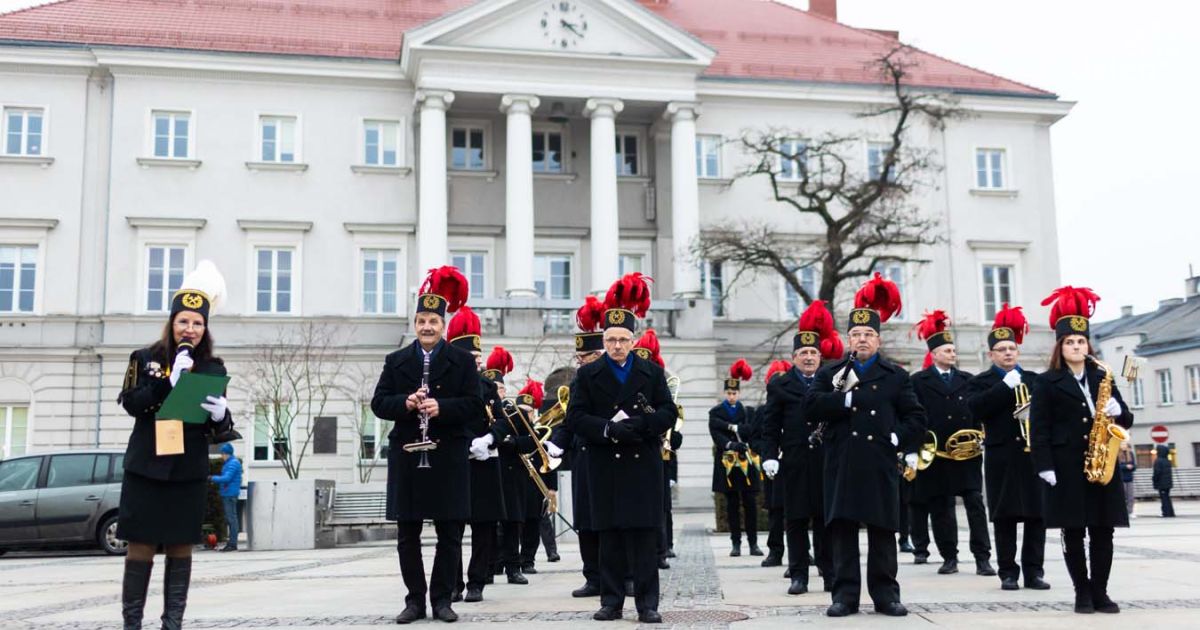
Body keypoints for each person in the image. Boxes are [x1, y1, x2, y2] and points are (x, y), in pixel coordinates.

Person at [117, 260, 236, 630]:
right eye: (183, 321)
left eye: (198, 323)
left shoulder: (213, 368)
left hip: (187, 469)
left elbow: (217, 430)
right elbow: (132, 403)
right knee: (140, 545)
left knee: (181, 547)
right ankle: (132, 623)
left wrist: (222, 417)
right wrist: (168, 383)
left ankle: (173, 624)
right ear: (172, 323)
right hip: (146, 467)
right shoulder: (144, 358)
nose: (190, 329)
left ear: (205, 327)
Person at [804, 273, 925, 617]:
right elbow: (810, 407)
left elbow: (916, 417)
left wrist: (897, 437)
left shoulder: (895, 375)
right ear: (847, 338)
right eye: (856, 334)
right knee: (841, 530)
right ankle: (844, 596)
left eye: (868, 334)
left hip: (879, 461)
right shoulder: (832, 374)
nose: (862, 340)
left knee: (883, 531)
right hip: (842, 461)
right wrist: (843, 403)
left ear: (878, 338)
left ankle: (886, 594)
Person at [372, 266, 483, 624]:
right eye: (421, 320)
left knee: (450, 532)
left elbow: (474, 405)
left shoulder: (463, 362)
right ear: (415, 322)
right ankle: (414, 600)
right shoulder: (396, 360)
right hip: (408, 455)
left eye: (433, 320)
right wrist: (405, 403)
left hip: (447, 455)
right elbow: (378, 403)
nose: (427, 327)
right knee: (408, 533)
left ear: (443, 324)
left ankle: (442, 600)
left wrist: (442, 407)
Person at [566, 273, 677, 623]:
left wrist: (640, 426)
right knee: (610, 538)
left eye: (623, 339)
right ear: (604, 339)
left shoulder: (651, 372)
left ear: (633, 339)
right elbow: (576, 417)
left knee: (644, 538)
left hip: (642, 463)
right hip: (605, 464)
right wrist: (608, 430)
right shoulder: (587, 374)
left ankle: (647, 604)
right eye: (611, 339)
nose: (616, 346)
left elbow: (668, 411)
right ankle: (611, 601)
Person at [1030, 285, 1134, 614]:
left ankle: (1100, 592)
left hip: (1103, 463)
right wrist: (1044, 465)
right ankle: (1082, 592)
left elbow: (1126, 418)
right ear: (1060, 346)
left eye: (1081, 341)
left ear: (1088, 344)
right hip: (1065, 465)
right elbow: (1039, 427)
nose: (1077, 346)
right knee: (1073, 531)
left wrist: (1120, 411)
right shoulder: (1047, 381)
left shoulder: (1102, 374)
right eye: (1070, 342)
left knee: (1104, 531)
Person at [761, 300, 842, 596]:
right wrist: (768, 456)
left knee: (825, 520)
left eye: (813, 353)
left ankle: (829, 571)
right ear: (793, 357)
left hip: (825, 459)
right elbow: (770, 426)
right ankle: (799, 575)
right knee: (794, 520)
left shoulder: (832, 383)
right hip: (793, 461)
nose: (808, 358)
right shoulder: (780, 386)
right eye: (803, 353)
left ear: (820, 357)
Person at [966, 304, 1049, 591]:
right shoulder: (981, 382)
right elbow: (974, 409)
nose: (1008, 353)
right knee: (1005, 517)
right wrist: (1004, 387)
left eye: (1011, 348)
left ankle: (1034, 572)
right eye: (1001, 349)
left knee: (1036, 516)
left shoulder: (1035, 380)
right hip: (1002, 456)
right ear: (992, 355)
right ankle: (1008, 572)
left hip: (1032, 456)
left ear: (1018, 351)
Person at [909, 310, 994, 577]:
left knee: (975, 504)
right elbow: (914, 414)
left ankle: (983, 557)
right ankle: (949, 557)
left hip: (966, 454)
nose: (952, 354)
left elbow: (979, 411)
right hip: (937, 455)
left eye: (953, 350)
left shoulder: (968, 380)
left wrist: (981, 435)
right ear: (933, 354)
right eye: (946, 350)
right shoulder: (918, 382)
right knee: (941, 508)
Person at [447, 308, 508, 604]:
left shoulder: (486, 386)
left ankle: (477, 582)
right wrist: (464, 442)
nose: (476, 363)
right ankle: (453, 582)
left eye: (477, 358)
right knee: (452, 528)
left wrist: (490, 438)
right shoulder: (444, 385)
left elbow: (502, 420)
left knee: (484, 527)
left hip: (484, 462)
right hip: (456, 463)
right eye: (470, 358)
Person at [549, 296, 606, 598]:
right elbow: (570, 421)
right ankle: (593, 576)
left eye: (588, 357)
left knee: (611, 520)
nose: (582, 363)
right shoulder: (577, 385)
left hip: (609, 455)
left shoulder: (613, 381)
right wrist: (557, 444)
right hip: (584, 457)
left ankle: (622, 576)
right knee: (585, 520)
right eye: (580, 358)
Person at [709, 359, 762, 558]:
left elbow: (752, 430)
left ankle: (753, 543)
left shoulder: (747, 412)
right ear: (725, 393)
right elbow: (716, 435)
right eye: (729, 393)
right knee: (732, 505)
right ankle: (736, 543)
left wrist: (735, 429)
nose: (731, 396)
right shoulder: (715, 412)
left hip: (746, 461)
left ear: (739, 393)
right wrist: (731, 444)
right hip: (727, 462)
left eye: (734, 393)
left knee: (750, 504)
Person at [209, 443, 243, 552]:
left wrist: (212, 478)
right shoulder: (230, 462)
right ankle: (232, 543)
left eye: (222, 454)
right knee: (231, 519)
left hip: (230, 494)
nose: (221, 456)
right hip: (228, 493)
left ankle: (232, 544)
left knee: (231, 519)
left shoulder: (233, 463)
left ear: (226, 453)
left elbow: (227, 478)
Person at [1151, 445, 1175, 518]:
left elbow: (1157, 473)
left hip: (1161, 483)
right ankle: (1171, 512)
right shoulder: (1167, 460)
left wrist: (1154, 479)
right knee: (1167, 497)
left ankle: (1166, 512)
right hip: (1168, 483)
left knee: (1164, 499)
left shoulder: (1158, 461)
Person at [1117, 442, 1136, 518]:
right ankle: (1123, 512)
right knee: (1123, 497)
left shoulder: (1130, 454)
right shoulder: (1117, 454)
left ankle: (1130, 512)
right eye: (1122, 444)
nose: (1124, 446)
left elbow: (1134, 465)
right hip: (1121, 479)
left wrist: (1132, 467)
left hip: (1129, 478)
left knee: (1130, 496)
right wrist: (1126, 466)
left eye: (1125, 444)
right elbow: (1118, 467)